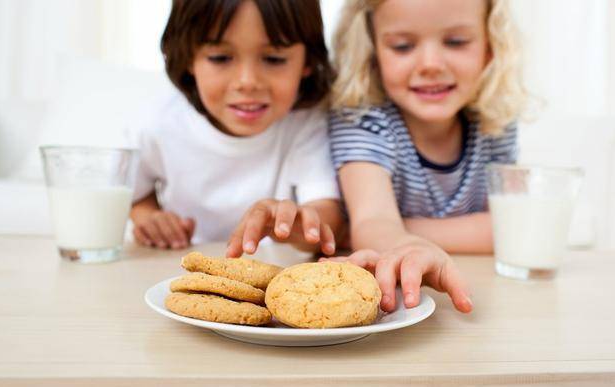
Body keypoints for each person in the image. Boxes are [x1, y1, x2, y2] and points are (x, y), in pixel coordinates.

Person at [321, 0, 528, 313]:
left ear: (490, 47)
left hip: (486, 293)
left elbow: (508, 226)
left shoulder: (494, 121)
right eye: (403, 46)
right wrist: (409, 245)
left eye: (456, 42)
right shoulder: (363, 120)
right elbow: (373, 220)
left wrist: (404, 230)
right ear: (373, 53)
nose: (430, 64)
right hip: (400, 302)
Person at [129, 0, 343, 257]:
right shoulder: (160, 122)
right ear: (187, 57)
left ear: (307, 61)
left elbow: (327, 216)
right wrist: (148, 215)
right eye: (220, 57)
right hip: (178, 266)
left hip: (270, 272)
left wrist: (297, 225)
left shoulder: (306, 122)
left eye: (274, 59)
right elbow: (134, 193)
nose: (247, 82)